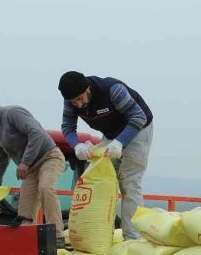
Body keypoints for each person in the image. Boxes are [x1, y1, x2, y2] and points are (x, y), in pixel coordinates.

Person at [58, 71, 154, 240]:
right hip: (111, 133)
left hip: (138, 128)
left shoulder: (112, 90)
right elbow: (67, 127)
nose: (79, 104)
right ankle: (100, 233)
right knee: (102, 179)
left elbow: (138, 117)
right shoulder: (71, 102)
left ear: (88, 88)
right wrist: (77, 145)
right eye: (74, 101)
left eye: (80, 98)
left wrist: (120, 143)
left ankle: (133, 238)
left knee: (129, 181)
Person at [0, 91, 67, 246]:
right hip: (31, 170)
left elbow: (37, 133)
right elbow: (0, 161)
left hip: (49, 157)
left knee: (46, 188)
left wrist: (25, 162)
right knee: (24, 211)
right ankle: (27, 245)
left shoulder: (12, 113)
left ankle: (57, 237)